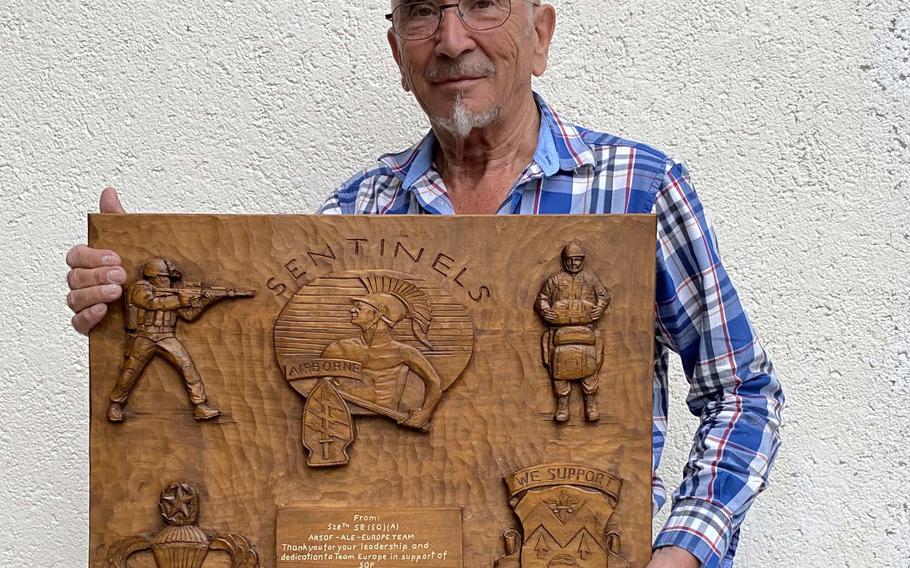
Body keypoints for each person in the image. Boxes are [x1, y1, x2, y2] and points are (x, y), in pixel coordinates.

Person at [65, 1, 783, 566]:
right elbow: (255, 380)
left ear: (540, 34)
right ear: (397, 56)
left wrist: (684, 551)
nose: (450, 38)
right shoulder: (353, 213)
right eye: (422, 10)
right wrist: (126, 292)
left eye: (482, 4)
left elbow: (743, 394)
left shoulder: (642, 189)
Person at [535, 242, 611, 422]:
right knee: (559, 368)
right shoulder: (555, 281)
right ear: (564, 261)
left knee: (590, 365)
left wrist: (599, 308)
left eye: (577, 260)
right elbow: (542, 299)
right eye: (570, 260)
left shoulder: (590, 280)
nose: (573, 264)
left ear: (582, 261)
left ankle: (590, 403)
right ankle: (562, 404)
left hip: (585, 330)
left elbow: (604, 296)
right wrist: (547, 312)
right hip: (560, 331)